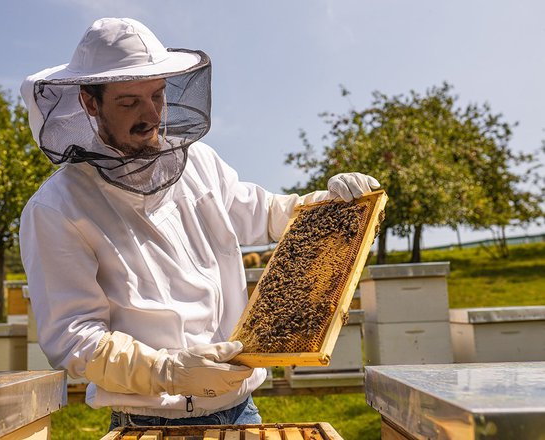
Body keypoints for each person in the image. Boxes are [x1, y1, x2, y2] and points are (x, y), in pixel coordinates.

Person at [19, 17, 380, 428]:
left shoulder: (200, 163)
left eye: (157, 95)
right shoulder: (56, 207)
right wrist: (168, 370)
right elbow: (73, 335)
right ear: (89, 102)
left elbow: (267, 214)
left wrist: (334, 205)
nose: (150, 114)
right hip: (147, 420)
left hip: (241, 409)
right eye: (128, 102)